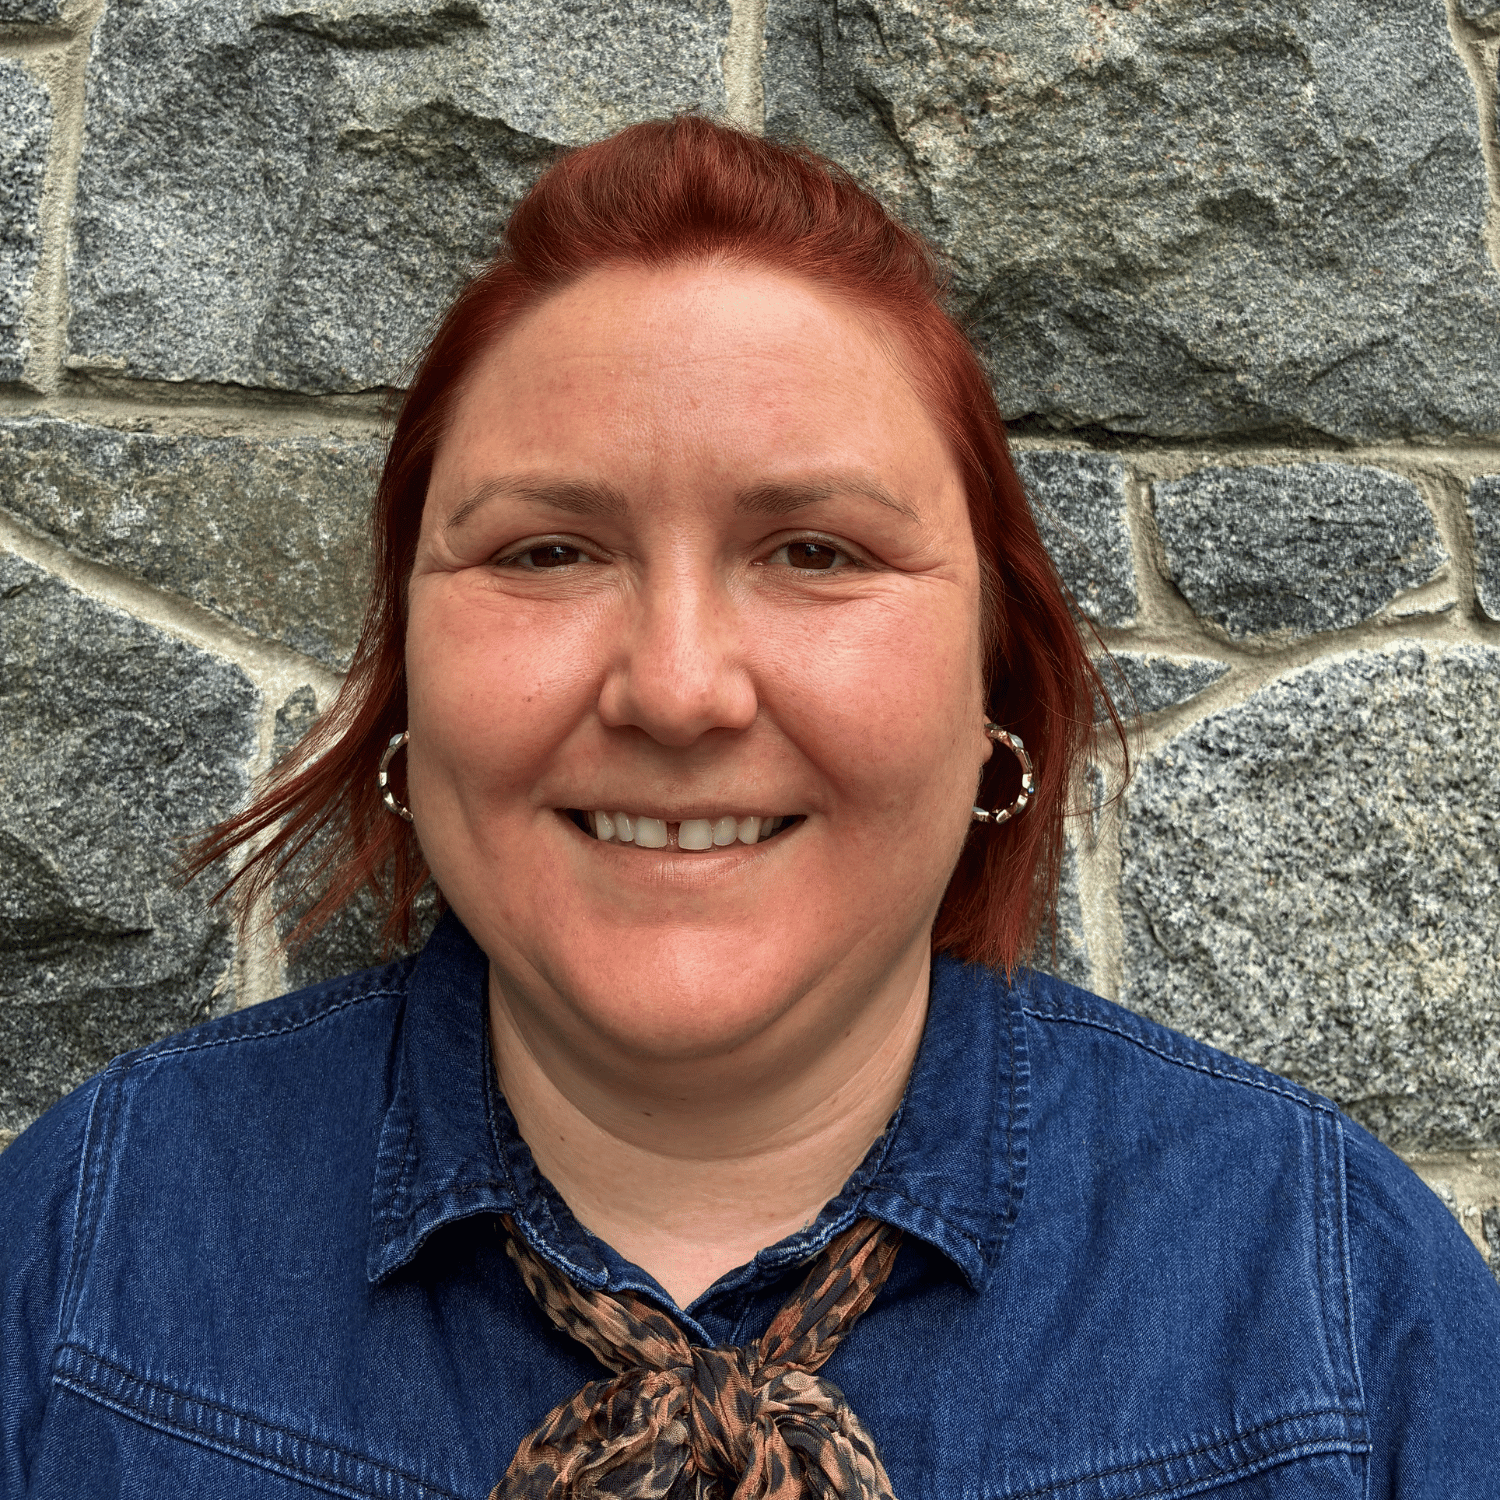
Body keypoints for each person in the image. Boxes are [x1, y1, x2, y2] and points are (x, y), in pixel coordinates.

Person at [2, 116, 1497, 1500]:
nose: (678, 688)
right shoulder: (88, 1256)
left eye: (816, 552)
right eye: (543, 553)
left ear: (994, 690)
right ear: (406, 682)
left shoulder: (1336, 1311)